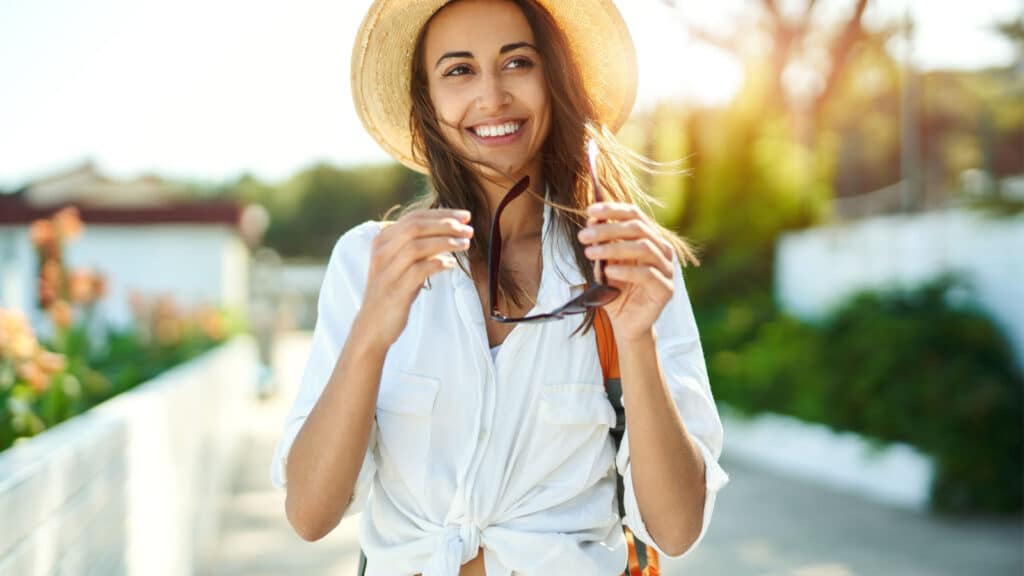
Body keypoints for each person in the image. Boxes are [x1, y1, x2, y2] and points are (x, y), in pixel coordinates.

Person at [270, 1, 730, 574]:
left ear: (554, 78)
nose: (491, 97)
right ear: (427, 102)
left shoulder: (628, 264)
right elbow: (310, 515)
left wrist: (637, 342)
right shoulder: (367, 262)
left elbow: (677, 530)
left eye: (517, 62)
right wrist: (370, 335)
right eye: (458, 70)